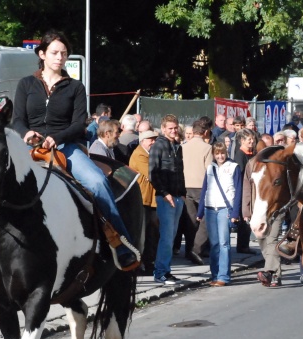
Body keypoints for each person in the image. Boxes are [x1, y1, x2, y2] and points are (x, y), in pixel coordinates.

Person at [12, 30, 139, 270]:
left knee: (97, 182)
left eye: (63, 53)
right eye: (54, 53)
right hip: (28, 146)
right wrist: (27, 133)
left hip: (65, 147)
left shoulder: (75, 88)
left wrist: (54, 138)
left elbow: (79, 124)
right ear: (42, 54)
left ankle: (120, 243)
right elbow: (17, 119)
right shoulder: (26, 84)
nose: (59, 57)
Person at [197, 142, 242, 286]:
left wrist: (235, 212)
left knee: (224, 243)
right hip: (210, 208)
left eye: (222, 153)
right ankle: (214, 275)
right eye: (217, 153)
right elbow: (205, 189)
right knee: (214, 244)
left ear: (226, 153)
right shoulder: (210, 167)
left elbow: (238, 191)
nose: (220, 156)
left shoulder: (234, 167)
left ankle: (224, 276)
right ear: (214, 154)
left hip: (225, 208)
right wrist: (200, 211)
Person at [149, 114, 187, 285]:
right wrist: (165, 193)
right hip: (166, 197)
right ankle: (160, 272)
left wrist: (183, 192)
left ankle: (166, 270)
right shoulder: (159, 145)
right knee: (166, 236)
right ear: (163, 129)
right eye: (170, 128)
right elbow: (153, 173)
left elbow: (180, 172)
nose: (173, 131)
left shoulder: (177, 146)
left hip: (178, 196)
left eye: (175, 128)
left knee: (171, 237)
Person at [242, 158, 283, 287]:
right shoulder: (252, 164)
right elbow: (247, 188)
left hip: (276, 208)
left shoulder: (277, 163)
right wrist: (246, 210)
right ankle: (275, 273)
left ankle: (269, 272)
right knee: (263, 241)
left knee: (272, 240)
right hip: (257, 209)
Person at [181, 121, 213, 264]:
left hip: (185, 186)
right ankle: (196, 249)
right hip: (202, 186)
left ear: (193, 132)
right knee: (206, 220)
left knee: (190, 220)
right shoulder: (207, 148)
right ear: (205, 132)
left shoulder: (183, 147)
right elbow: (209, 171)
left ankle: (189, 249)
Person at [129, 130, 160, 274]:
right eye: (150, 140)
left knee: (151, 234)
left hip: (150, 200)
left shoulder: (149, 154)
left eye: (155, 139)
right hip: (143, 200)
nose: (153, 142)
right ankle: (142, 264)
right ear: (142, 141)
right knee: (144, 234)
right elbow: (152, 173)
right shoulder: (140, 154)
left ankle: (149, 263)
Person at [233, 128, 258, 254]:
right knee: (245, 218)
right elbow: (241, 173)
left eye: (253, 139)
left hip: (252, 188)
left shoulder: (253, 153)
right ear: (242, 141)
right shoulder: (240, 155)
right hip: (244, 189)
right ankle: (242, 246)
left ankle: (245, 244)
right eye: (249, 139)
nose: (252, 141)